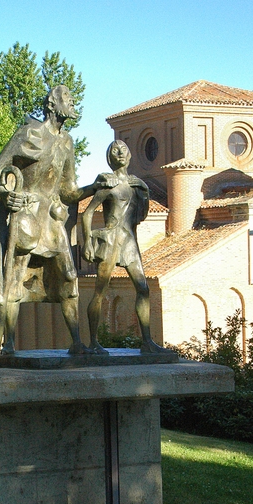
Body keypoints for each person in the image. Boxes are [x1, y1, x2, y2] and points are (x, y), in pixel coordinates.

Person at [0, 84, 100, 355]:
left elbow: (68, 191)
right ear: (53, 105)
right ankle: (9, 345)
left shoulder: (67, 141)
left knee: (70, 276)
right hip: (25, 214)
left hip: (51, 218)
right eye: (68, 99)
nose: (73, 104)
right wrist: (5, 195)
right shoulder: (30, 132)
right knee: (15, 279)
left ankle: (76, 344)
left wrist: (94, 187)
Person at [82, 139, 167, 355]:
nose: (120, 153)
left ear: (129, 156)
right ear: (110, 158)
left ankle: (147, 341)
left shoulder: (137, 185)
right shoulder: (107, 183)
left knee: (143, 289)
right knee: (100, 291)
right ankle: (93, 342)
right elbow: (88, 212)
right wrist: (88, 242)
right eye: (115, 150)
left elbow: (141, 214)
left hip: (129, 241)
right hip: (110, 240)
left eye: (124, 150)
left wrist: (145, 191)